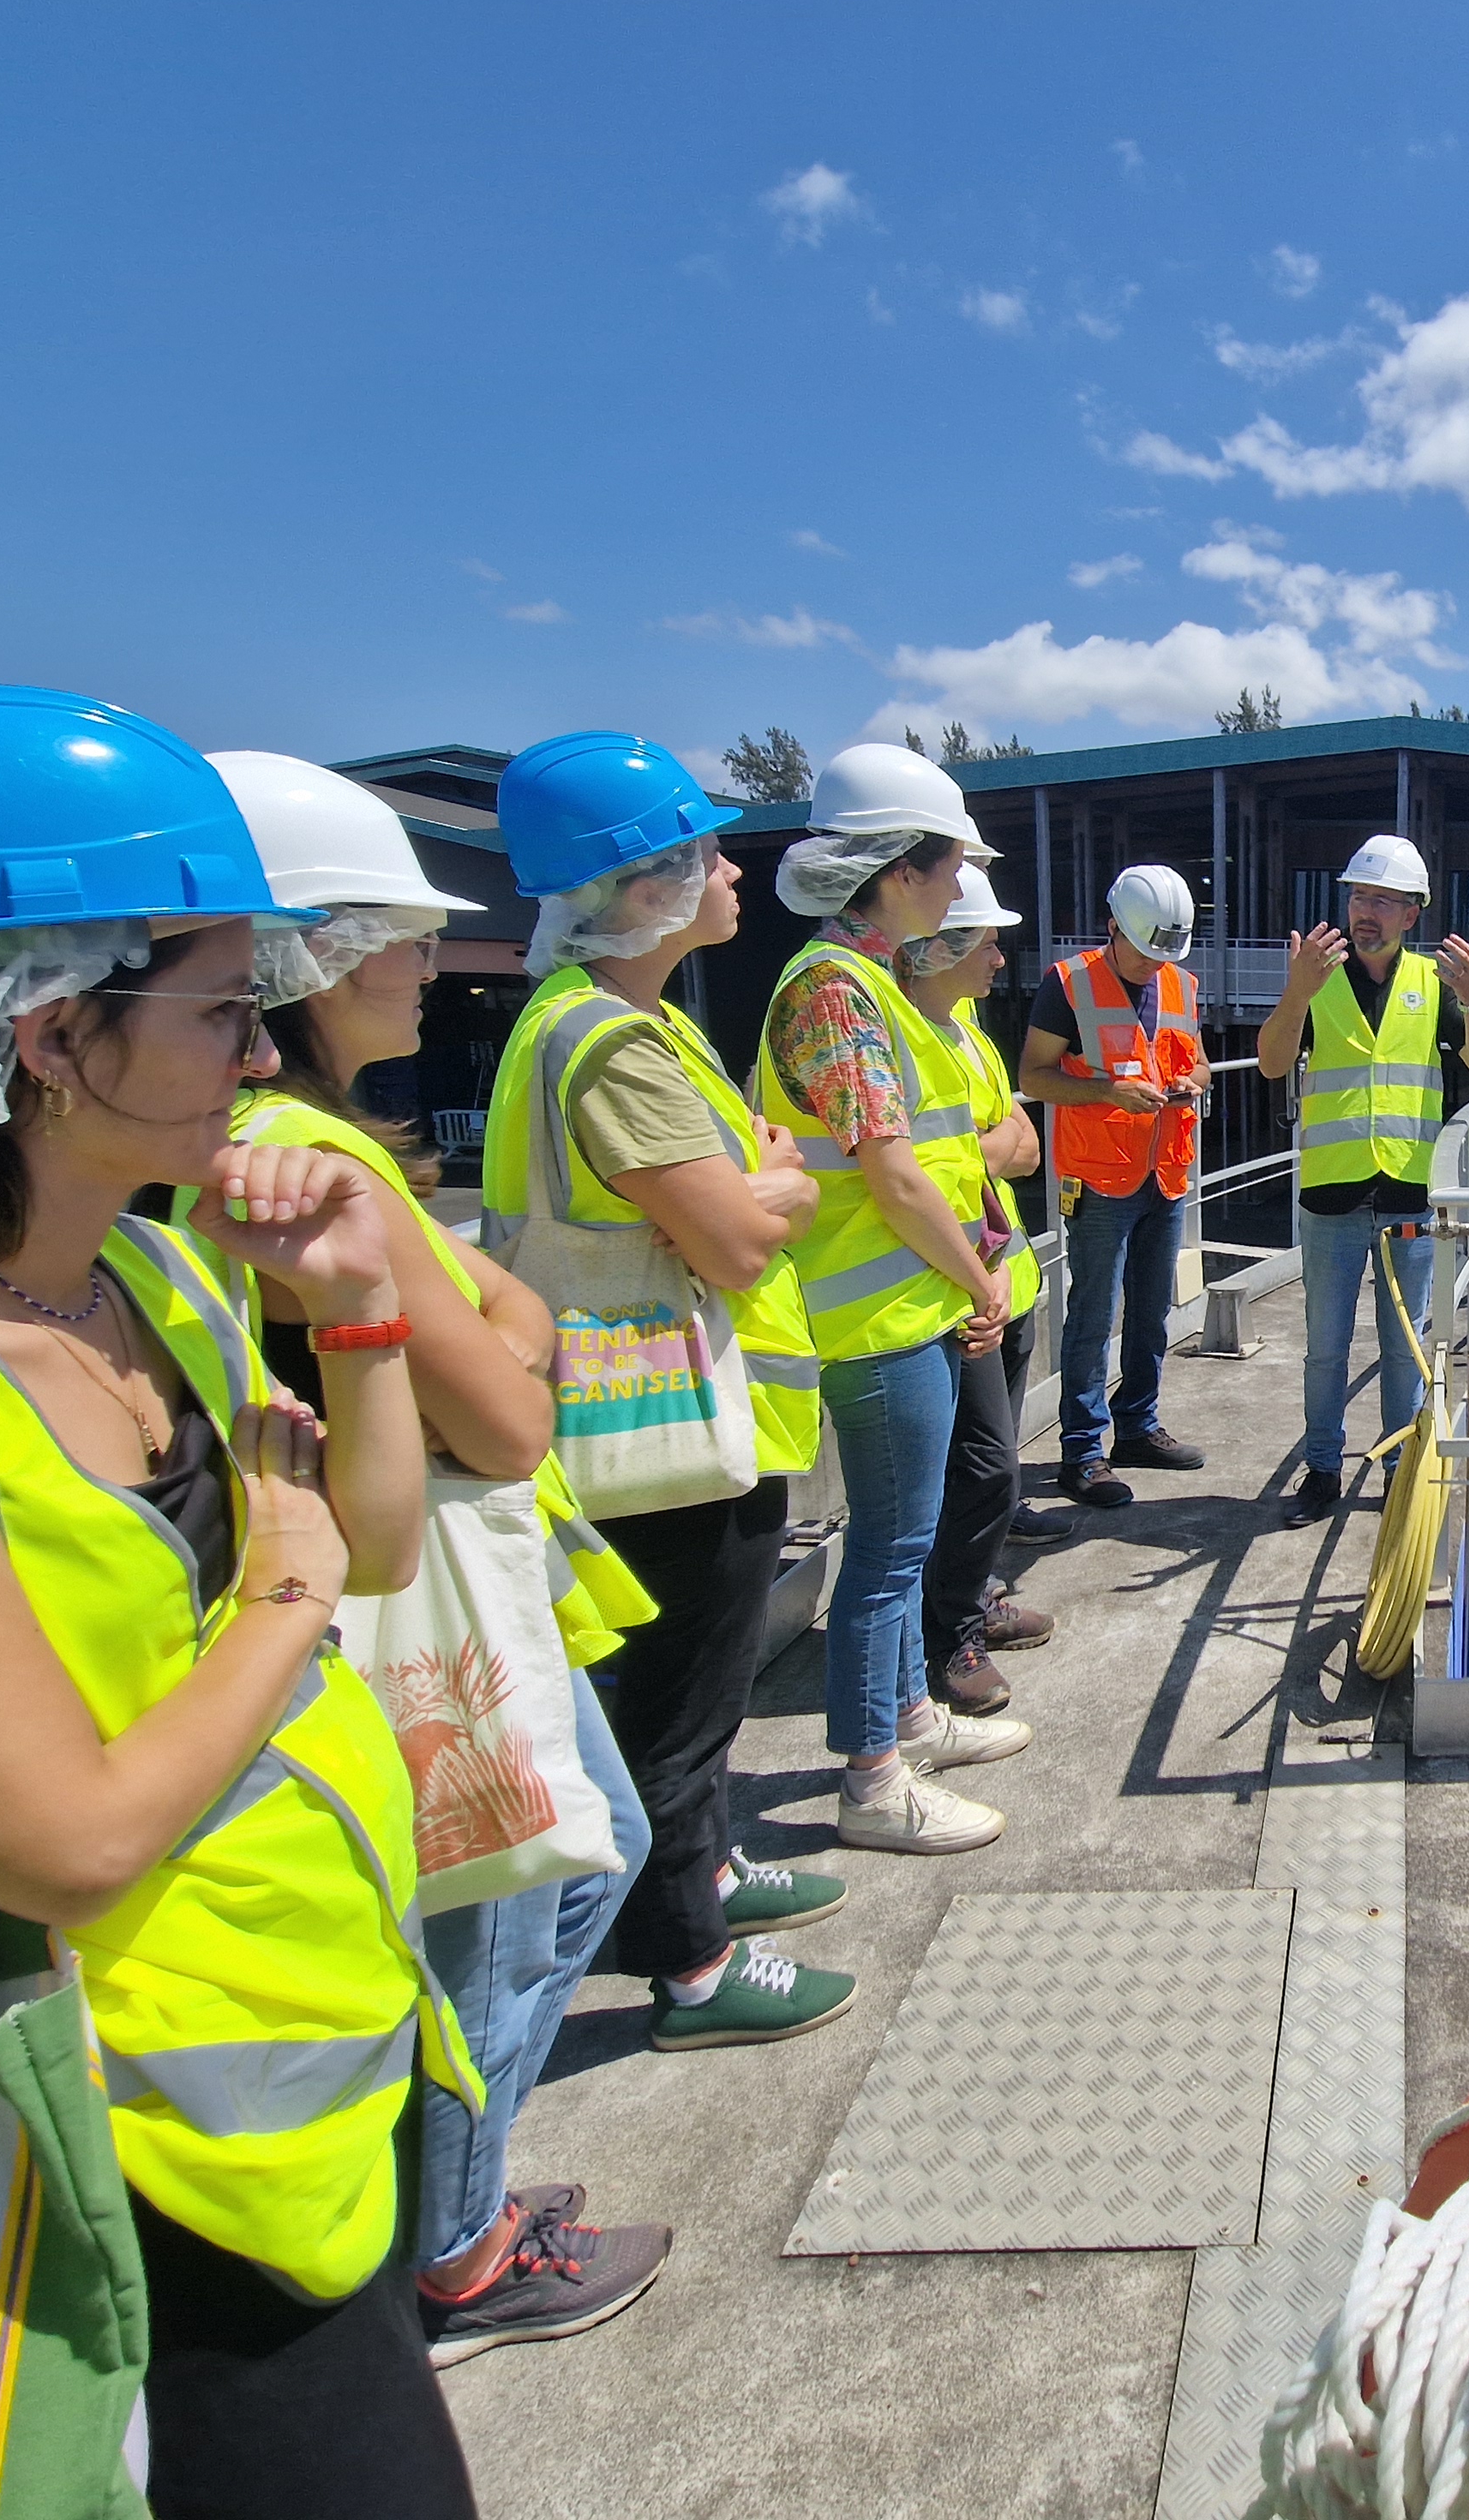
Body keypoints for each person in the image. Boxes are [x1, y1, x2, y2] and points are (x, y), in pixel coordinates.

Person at [0, 682, 484, 2512]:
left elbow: (384, 1546)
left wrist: (354, 1311)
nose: (263, 1058)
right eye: (223, 1007)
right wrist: (281, 1597)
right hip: (95, 2145)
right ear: (46, 1039)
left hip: (300, 2075)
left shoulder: (155, 1276)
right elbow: (63, 1847)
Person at [211, 750, 678, 2366]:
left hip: (406, 1585)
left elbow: (509, 1321)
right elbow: (507, 1401)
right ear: (315, 959)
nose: (430, 961)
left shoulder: (277, 1138)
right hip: (416, 1602)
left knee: (561, 1864)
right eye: (400, 938)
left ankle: (448, 2211)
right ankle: (459, 2245)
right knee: (521, 1890)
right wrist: (500, 1326)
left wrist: (505, 1320)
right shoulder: (306, 1157)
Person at [482, 731, 852, 2048]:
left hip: (673, 1409)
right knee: (683, 1703)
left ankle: (709, 1874)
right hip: (666, 1428)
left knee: (694, 1689)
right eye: (702, 851)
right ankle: (690, 1966)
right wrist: (779, 1183)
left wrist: (758, 1175)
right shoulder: (617, 1047)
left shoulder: (617, 1022)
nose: (733, 867)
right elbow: (748, 1229)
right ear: (646, 888)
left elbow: (745, 1182)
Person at [754, 745, 1033, 1852]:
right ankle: (874, 1781)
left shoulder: (859, 984)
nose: (963, 877)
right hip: (875, 1323)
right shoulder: (834, 990)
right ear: (902, 870)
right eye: (952, 857)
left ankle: (908, 1720)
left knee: (902, 1544)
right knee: (888, 1554)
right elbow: (896, 1173)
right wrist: (983, 1285)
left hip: (900, 1313)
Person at [1254, 834, 1469, 1526]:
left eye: (1385, 901)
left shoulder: (1432, 984)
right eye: (1360, 895)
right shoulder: (1316, 975)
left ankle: (1398, 1470)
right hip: (1332, 1194)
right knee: (1325, 1348)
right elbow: (1273, 1063)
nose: (1367, 911)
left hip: (1408, 1195)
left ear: (1411, 915)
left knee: (1405, 1347)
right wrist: (1296, 994)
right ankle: (1323, 1471)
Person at [896, 863, 1058, 1691]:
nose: (1000, 961)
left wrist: (969, 1153)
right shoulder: (895, 1035)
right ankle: (952, 1631)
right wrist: (978, 1150)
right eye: (989, 943)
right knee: (981, 1467)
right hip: (944, 1290)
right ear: (940, 948)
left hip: (1002, 1281)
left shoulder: (967, 1032)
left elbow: (1023, 1147)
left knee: (990, 1468)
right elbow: (903, 1172)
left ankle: (975, 1593)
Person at [1019, 864, 1210, 1507]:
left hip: (1167, 1172)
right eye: (1144, 950)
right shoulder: (1067, 983)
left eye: (1165, 953)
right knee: (1093, 1316)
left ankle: (1137, 1425)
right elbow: (1038, 1078)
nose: (1153, 964)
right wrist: (1109, 1091)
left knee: (1153, 1311)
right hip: (1100, 1179)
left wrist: (1192, 1084)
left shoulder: (1181, 983)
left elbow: (1201, 1062)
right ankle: (1082, 1453)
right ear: (1113, 927)